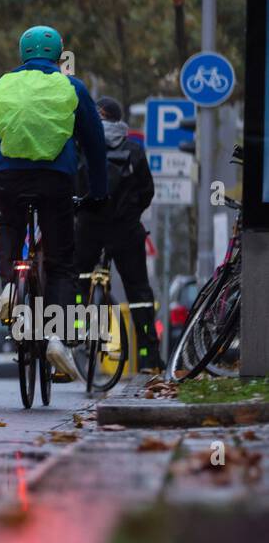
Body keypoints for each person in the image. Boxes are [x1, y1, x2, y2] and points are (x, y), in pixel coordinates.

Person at [0, 25, 108, 381]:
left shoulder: (1, 85)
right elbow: (96, 145)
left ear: (22, 53)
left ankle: (8, 286)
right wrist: (98, 191)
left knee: (8, 222)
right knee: (62, 263)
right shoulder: (73, 87)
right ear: (58, 54)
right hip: (55, 179)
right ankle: (56, 338)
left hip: (7, 177)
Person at [75, 96, 160, 369]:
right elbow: (147, 191)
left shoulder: (82, 145)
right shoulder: (134, 150)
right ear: (118, 120)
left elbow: (72, 186)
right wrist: (130, 213)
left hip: (89, 227)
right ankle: (149, 356)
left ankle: (73, 335)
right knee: (138, 291)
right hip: (125, 230)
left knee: (76, 280)